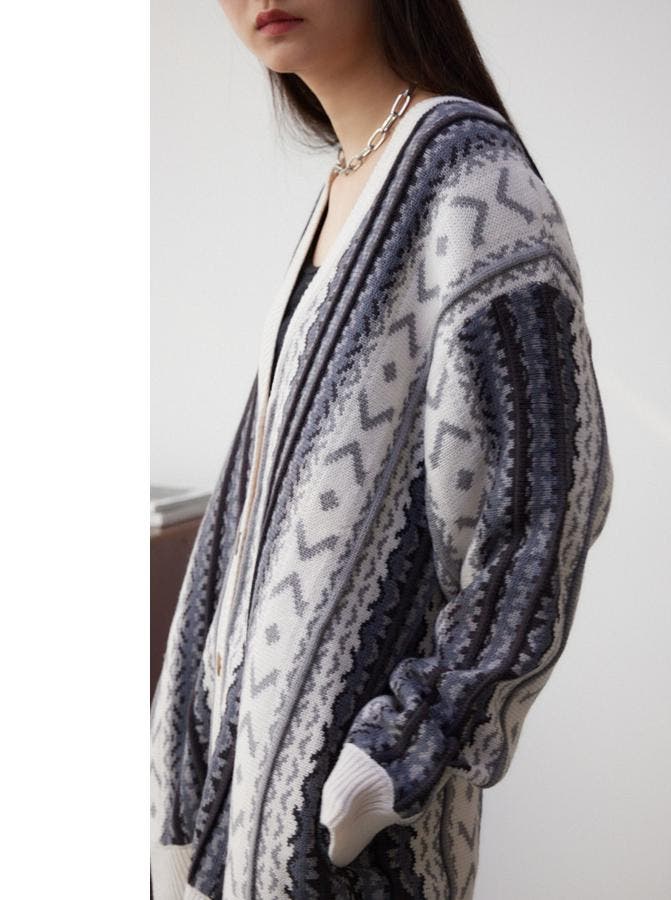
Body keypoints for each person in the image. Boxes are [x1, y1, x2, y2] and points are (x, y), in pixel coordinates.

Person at [150, 2, 614, 898]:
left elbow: (549, 500)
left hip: (353, 843)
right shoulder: (350, 179)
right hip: (251, 811)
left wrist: (403, 749)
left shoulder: (472, 179)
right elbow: (262, 502)